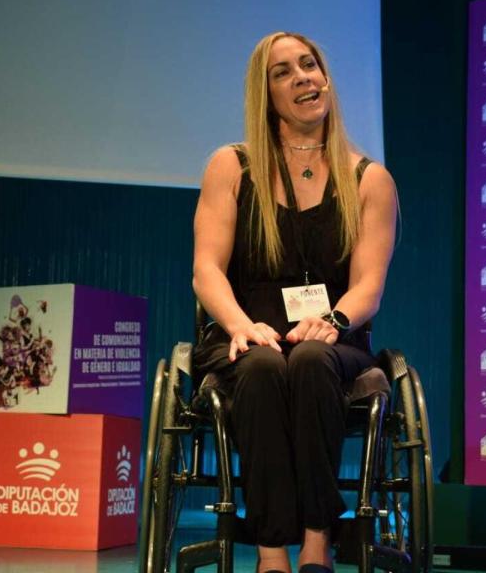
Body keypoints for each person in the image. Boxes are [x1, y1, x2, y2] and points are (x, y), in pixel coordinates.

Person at [191, 32, 399, 573]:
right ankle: (269, 550)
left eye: (310, 65)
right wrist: (239, 325)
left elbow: (369, 285)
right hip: (246, 333)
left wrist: (333, 320)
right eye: (284, 72)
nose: (303, 76)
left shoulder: (370, 180)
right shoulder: (232, 166)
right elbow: (206, 270)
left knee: (308, 360)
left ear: (326, 79)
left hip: (333, 339)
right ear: (267, 95)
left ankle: (315, 541)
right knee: (261, 366)